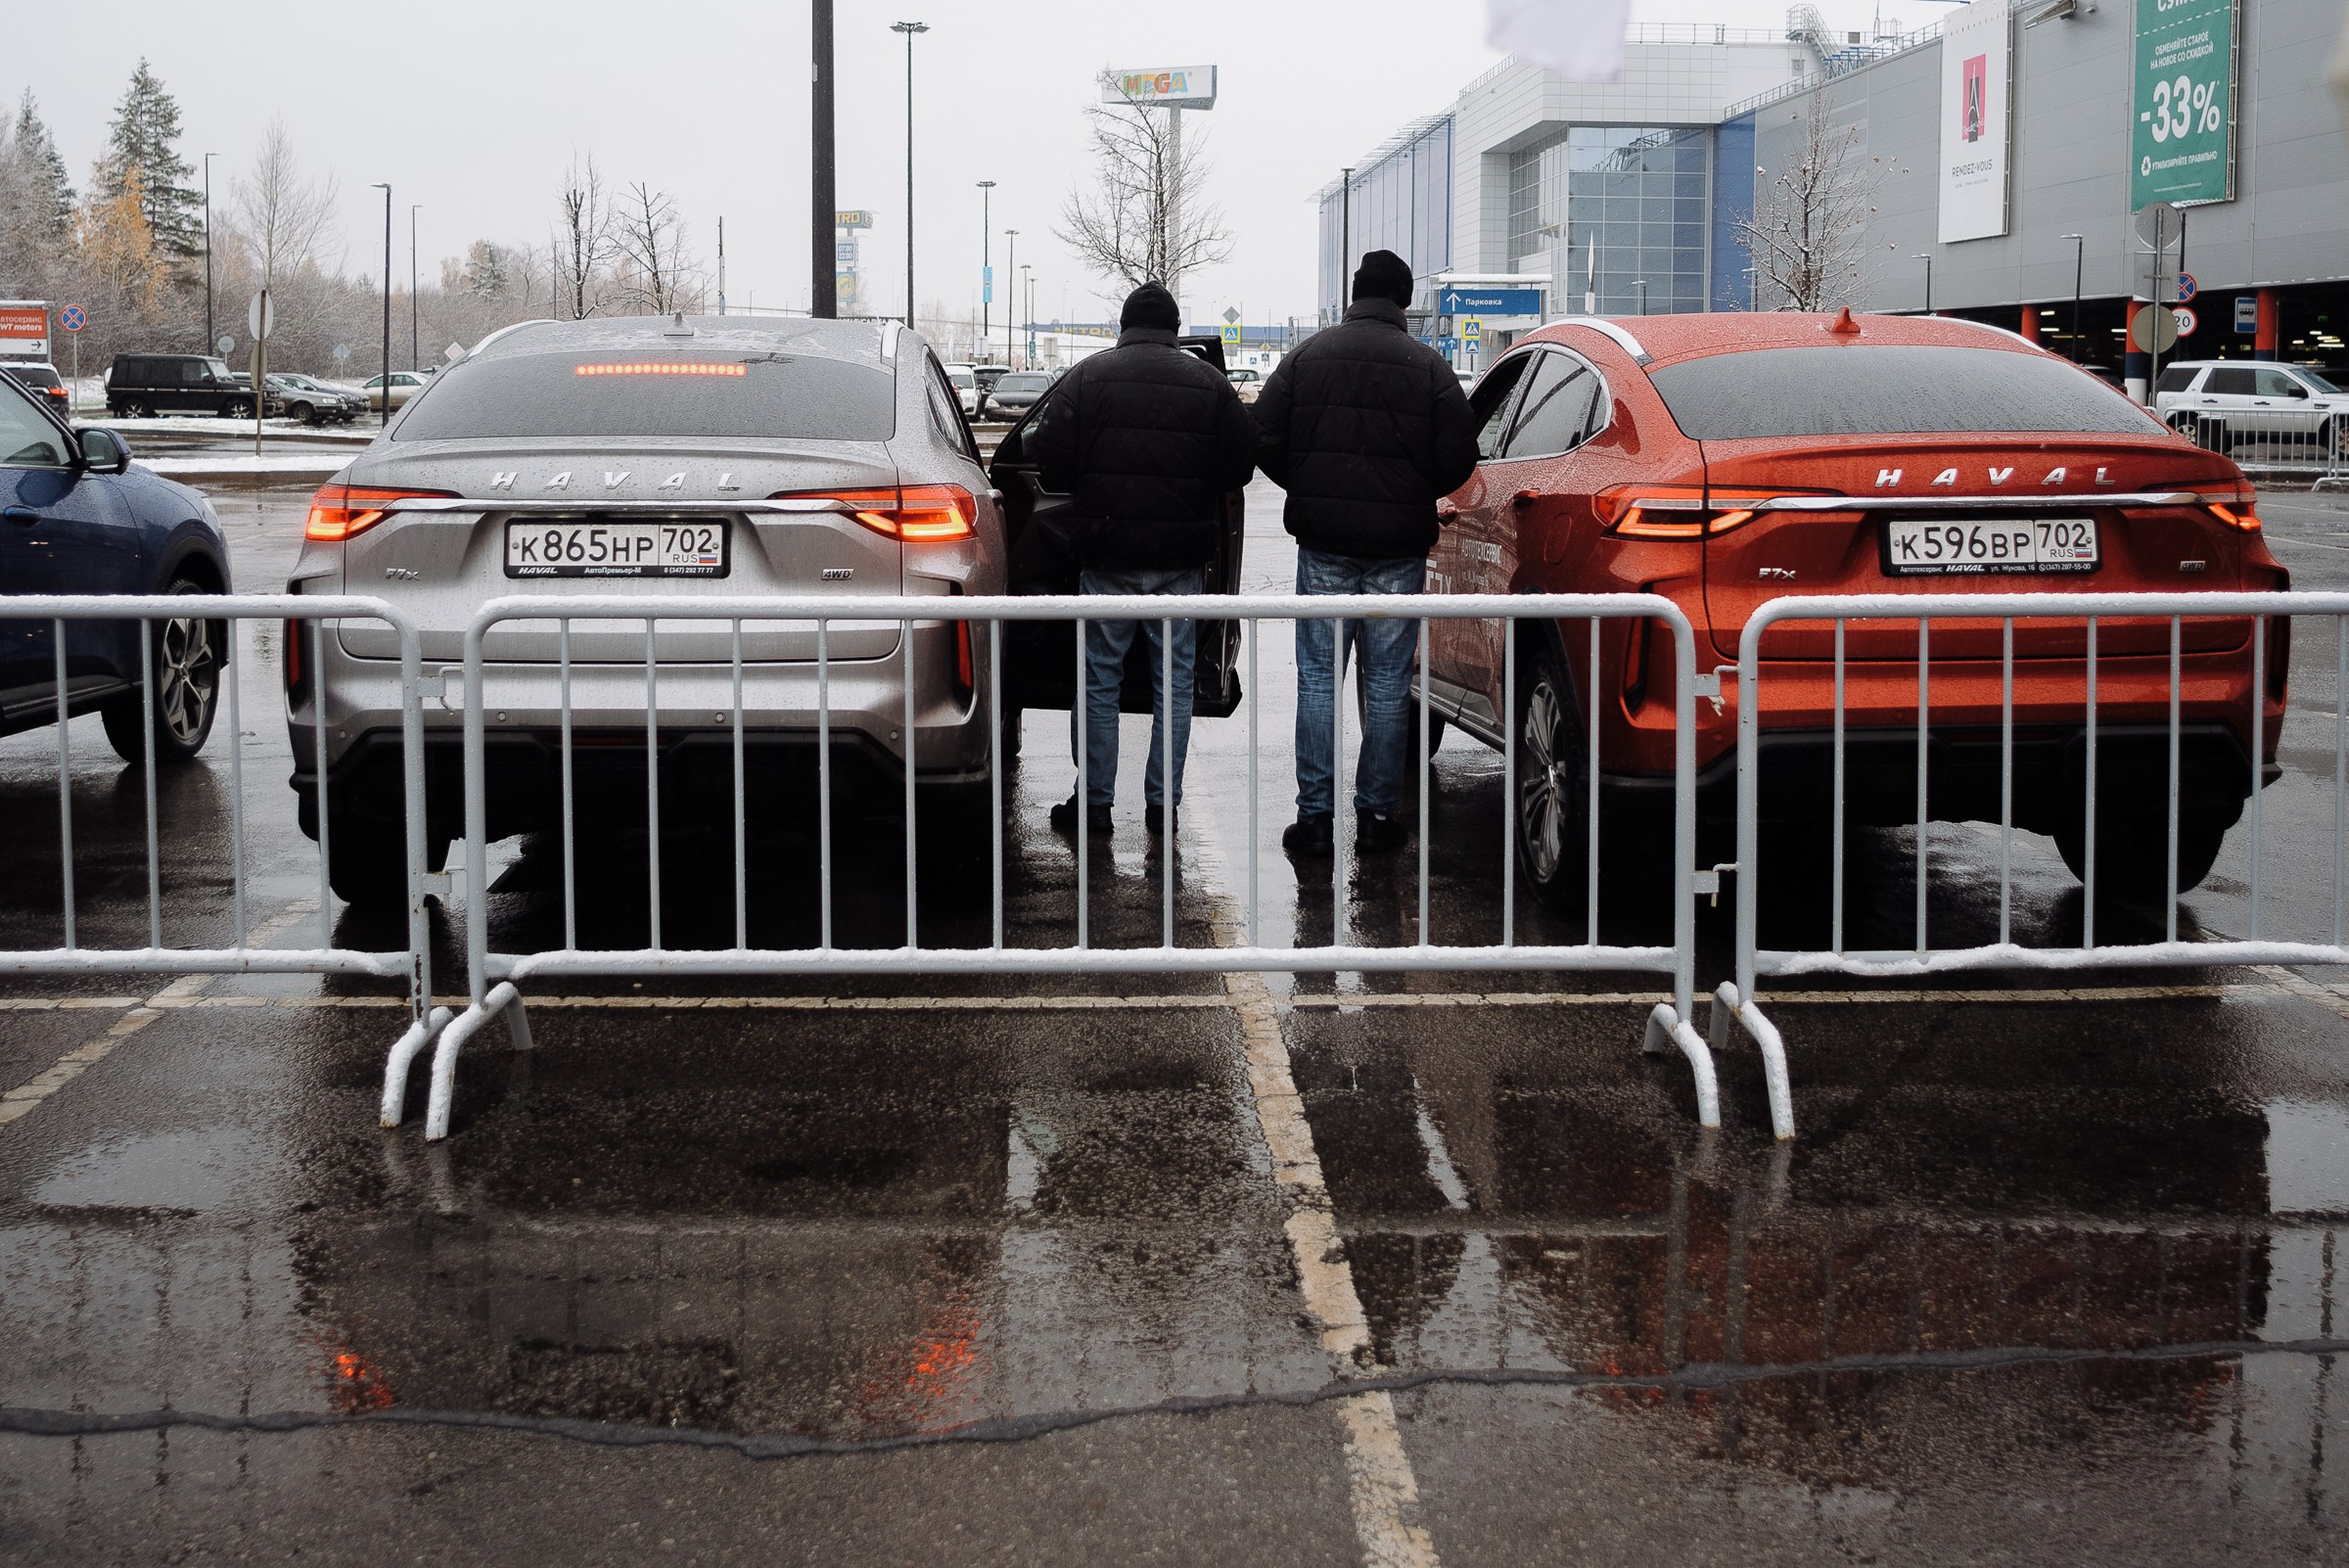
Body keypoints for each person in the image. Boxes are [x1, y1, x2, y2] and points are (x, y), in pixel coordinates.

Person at [1254, 249, 1480, 856]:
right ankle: (1377, 818)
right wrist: (1413, 491)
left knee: (1319, 681)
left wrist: (1308, 485)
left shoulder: (1308, 356)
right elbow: (1461, 453)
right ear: (1404, 300)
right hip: (1397, 551)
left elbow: (1263, 435)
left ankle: (1315, 820)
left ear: (1356, 293)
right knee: (1385, 685)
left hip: (1324, 545)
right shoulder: (1428, 367)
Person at [1029, 281, 1258, 837]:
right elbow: (1239, 468)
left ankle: (1095, 805)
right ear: (1175, 331)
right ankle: (1163, 808)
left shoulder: (1088, 377)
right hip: (1180, 561)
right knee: (1174, 683)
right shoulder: (1210, 385)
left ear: (1124, 327)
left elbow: (1046, 458)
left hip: (1106, 557)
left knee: (1099, 679)